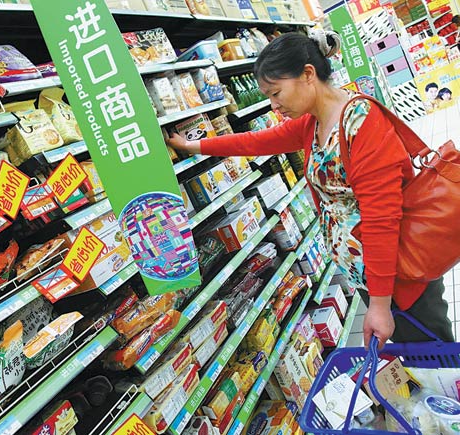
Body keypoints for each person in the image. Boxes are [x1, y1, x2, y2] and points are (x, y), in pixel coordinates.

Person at [167, 30, 454, 347]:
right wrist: (194, 146)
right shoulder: (314, 122)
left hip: (402, 282)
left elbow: (381, 219)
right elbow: (256, 141)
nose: (274, 105)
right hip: (371, 279)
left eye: (276, 93)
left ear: (307, 74)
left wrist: (381, 305)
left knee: (434, 370)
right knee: (407, 381)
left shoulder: (361, 122)